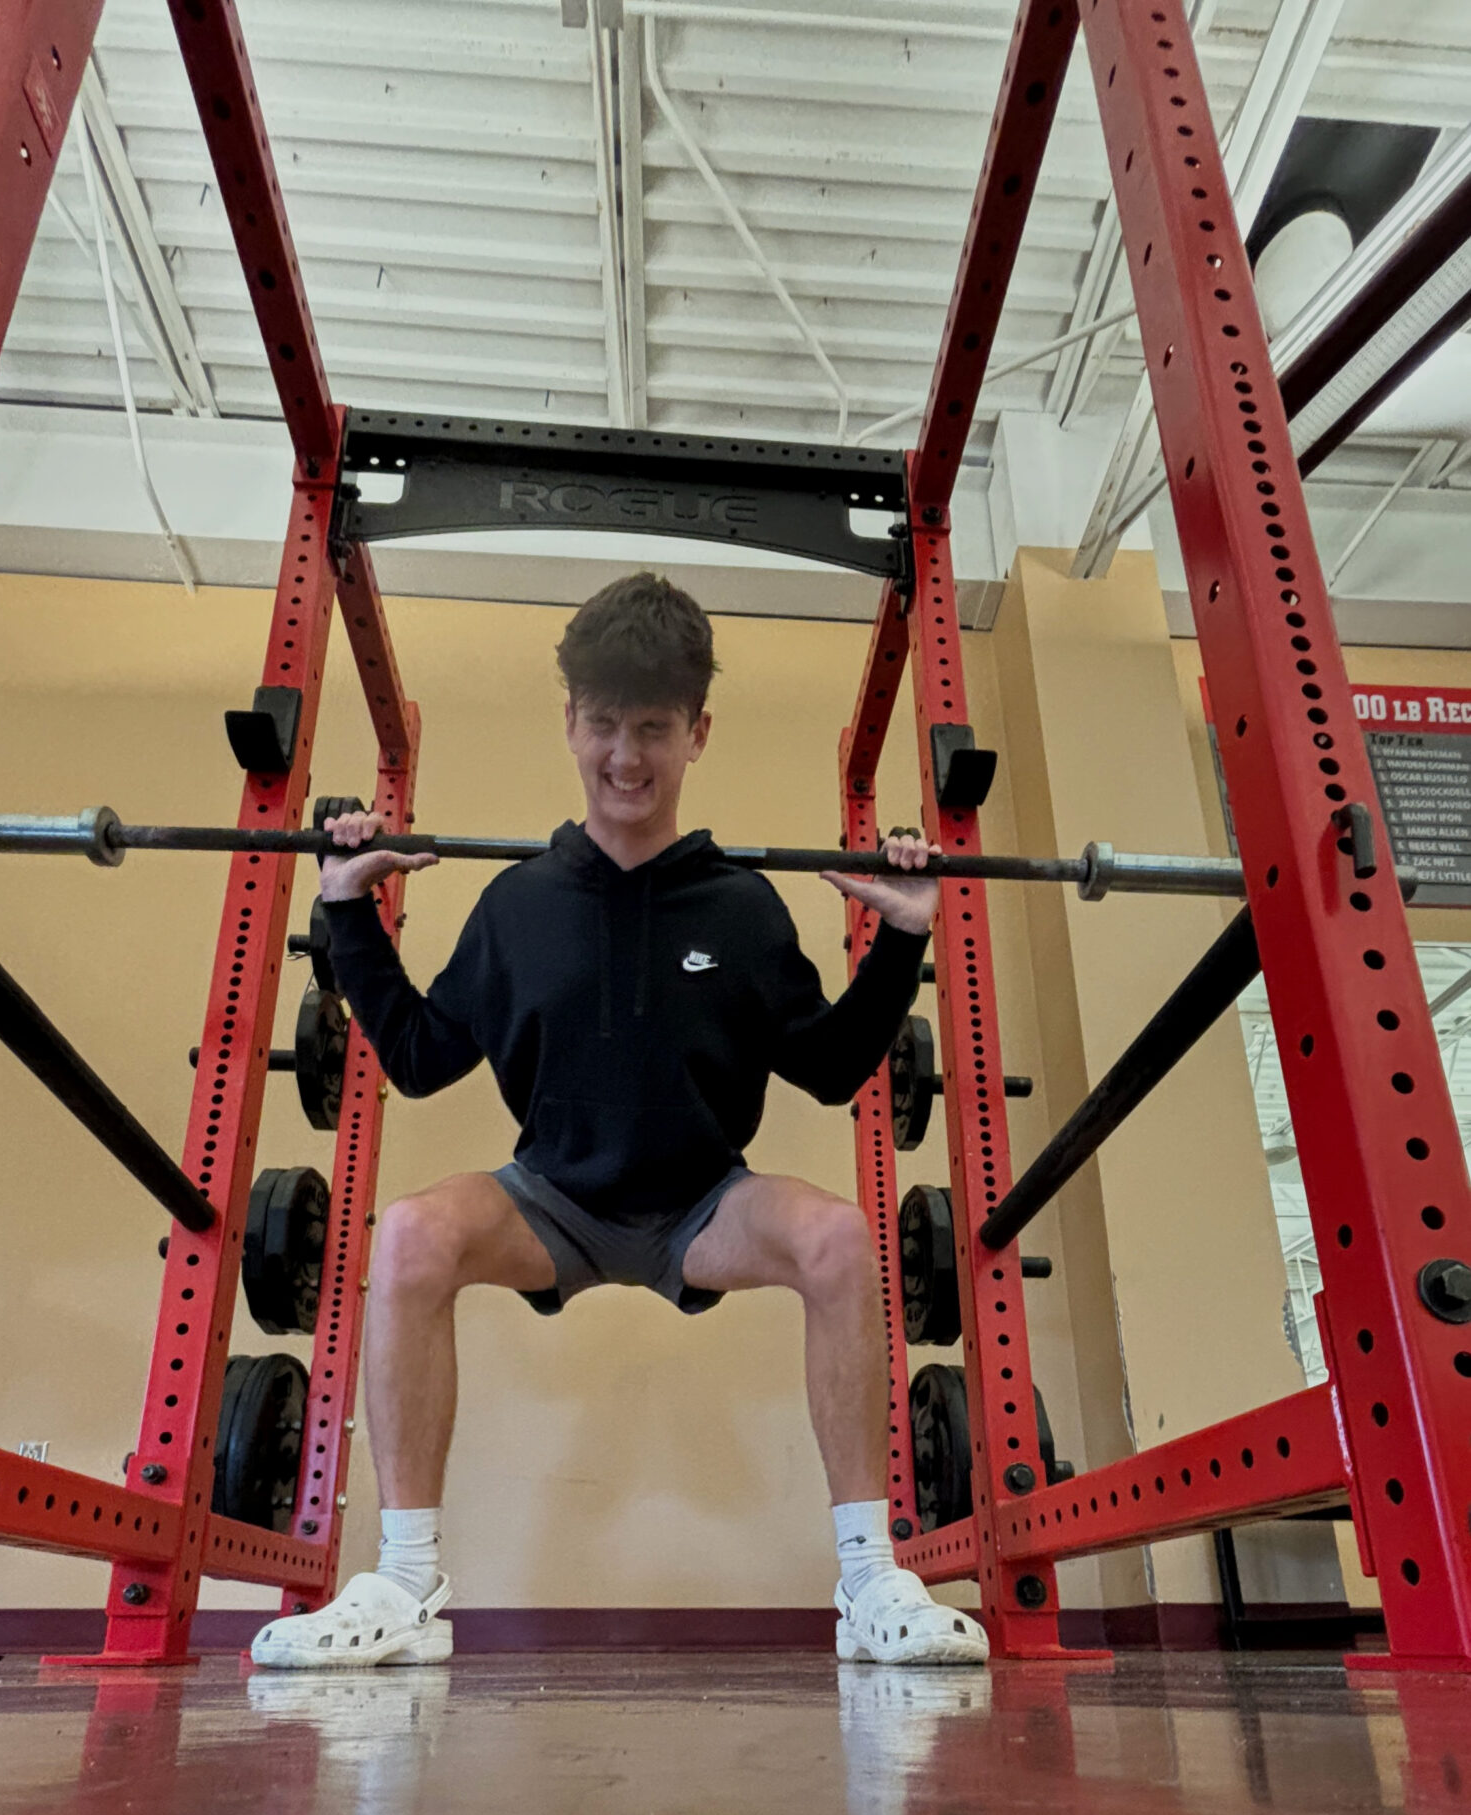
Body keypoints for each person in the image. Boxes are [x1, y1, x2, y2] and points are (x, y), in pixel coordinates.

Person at [251, 572, 987, 1671]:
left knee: (839, 1237)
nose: (625, 757)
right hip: (551, 1200)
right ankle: (404, 1588)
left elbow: (832, 1070)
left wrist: (902, 940)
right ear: (569, 723)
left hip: (703, 1203)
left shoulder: (742, 907)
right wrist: (347, 908)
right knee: (408, 1234)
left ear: (698, 732)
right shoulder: (519, 907)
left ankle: (871, 1578)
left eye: (652, 728)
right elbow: (416, 1056)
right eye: (603, 725)